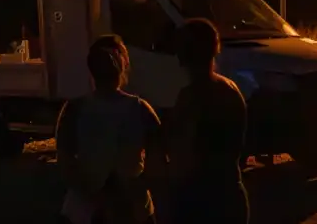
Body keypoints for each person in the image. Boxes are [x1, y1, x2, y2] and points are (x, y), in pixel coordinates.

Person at [57, 35, 166, 224]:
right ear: (123, 66)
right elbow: (159, 163)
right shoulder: (140, 109)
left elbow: (66, 165)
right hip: (134, 210)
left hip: (83, 211)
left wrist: (94, 193)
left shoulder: (73, 110)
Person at [169, 18, 249, 224]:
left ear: (184, 55)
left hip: (199, 200)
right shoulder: (231, 90)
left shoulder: (190, 98)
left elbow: (183, 152)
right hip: (231, 193)